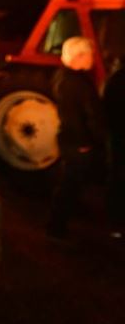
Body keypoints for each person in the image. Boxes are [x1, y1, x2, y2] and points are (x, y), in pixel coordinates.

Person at [46, 37, 107, 240]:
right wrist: (86, 142)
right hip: (79, 143)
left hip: (71, 140)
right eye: (90, 54)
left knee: (71, 182)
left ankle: (63, 219)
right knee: (69, 184)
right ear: (80, 56)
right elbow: (81, 116)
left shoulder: (63, 77)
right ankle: (56, 228)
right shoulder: (76, 82)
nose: (93, 58)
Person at [103, 56, 125, 237]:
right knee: (118, 178)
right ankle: (115, 223)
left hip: (116, 135)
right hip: (119, 137)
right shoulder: (119, 82)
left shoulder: (114, 80)